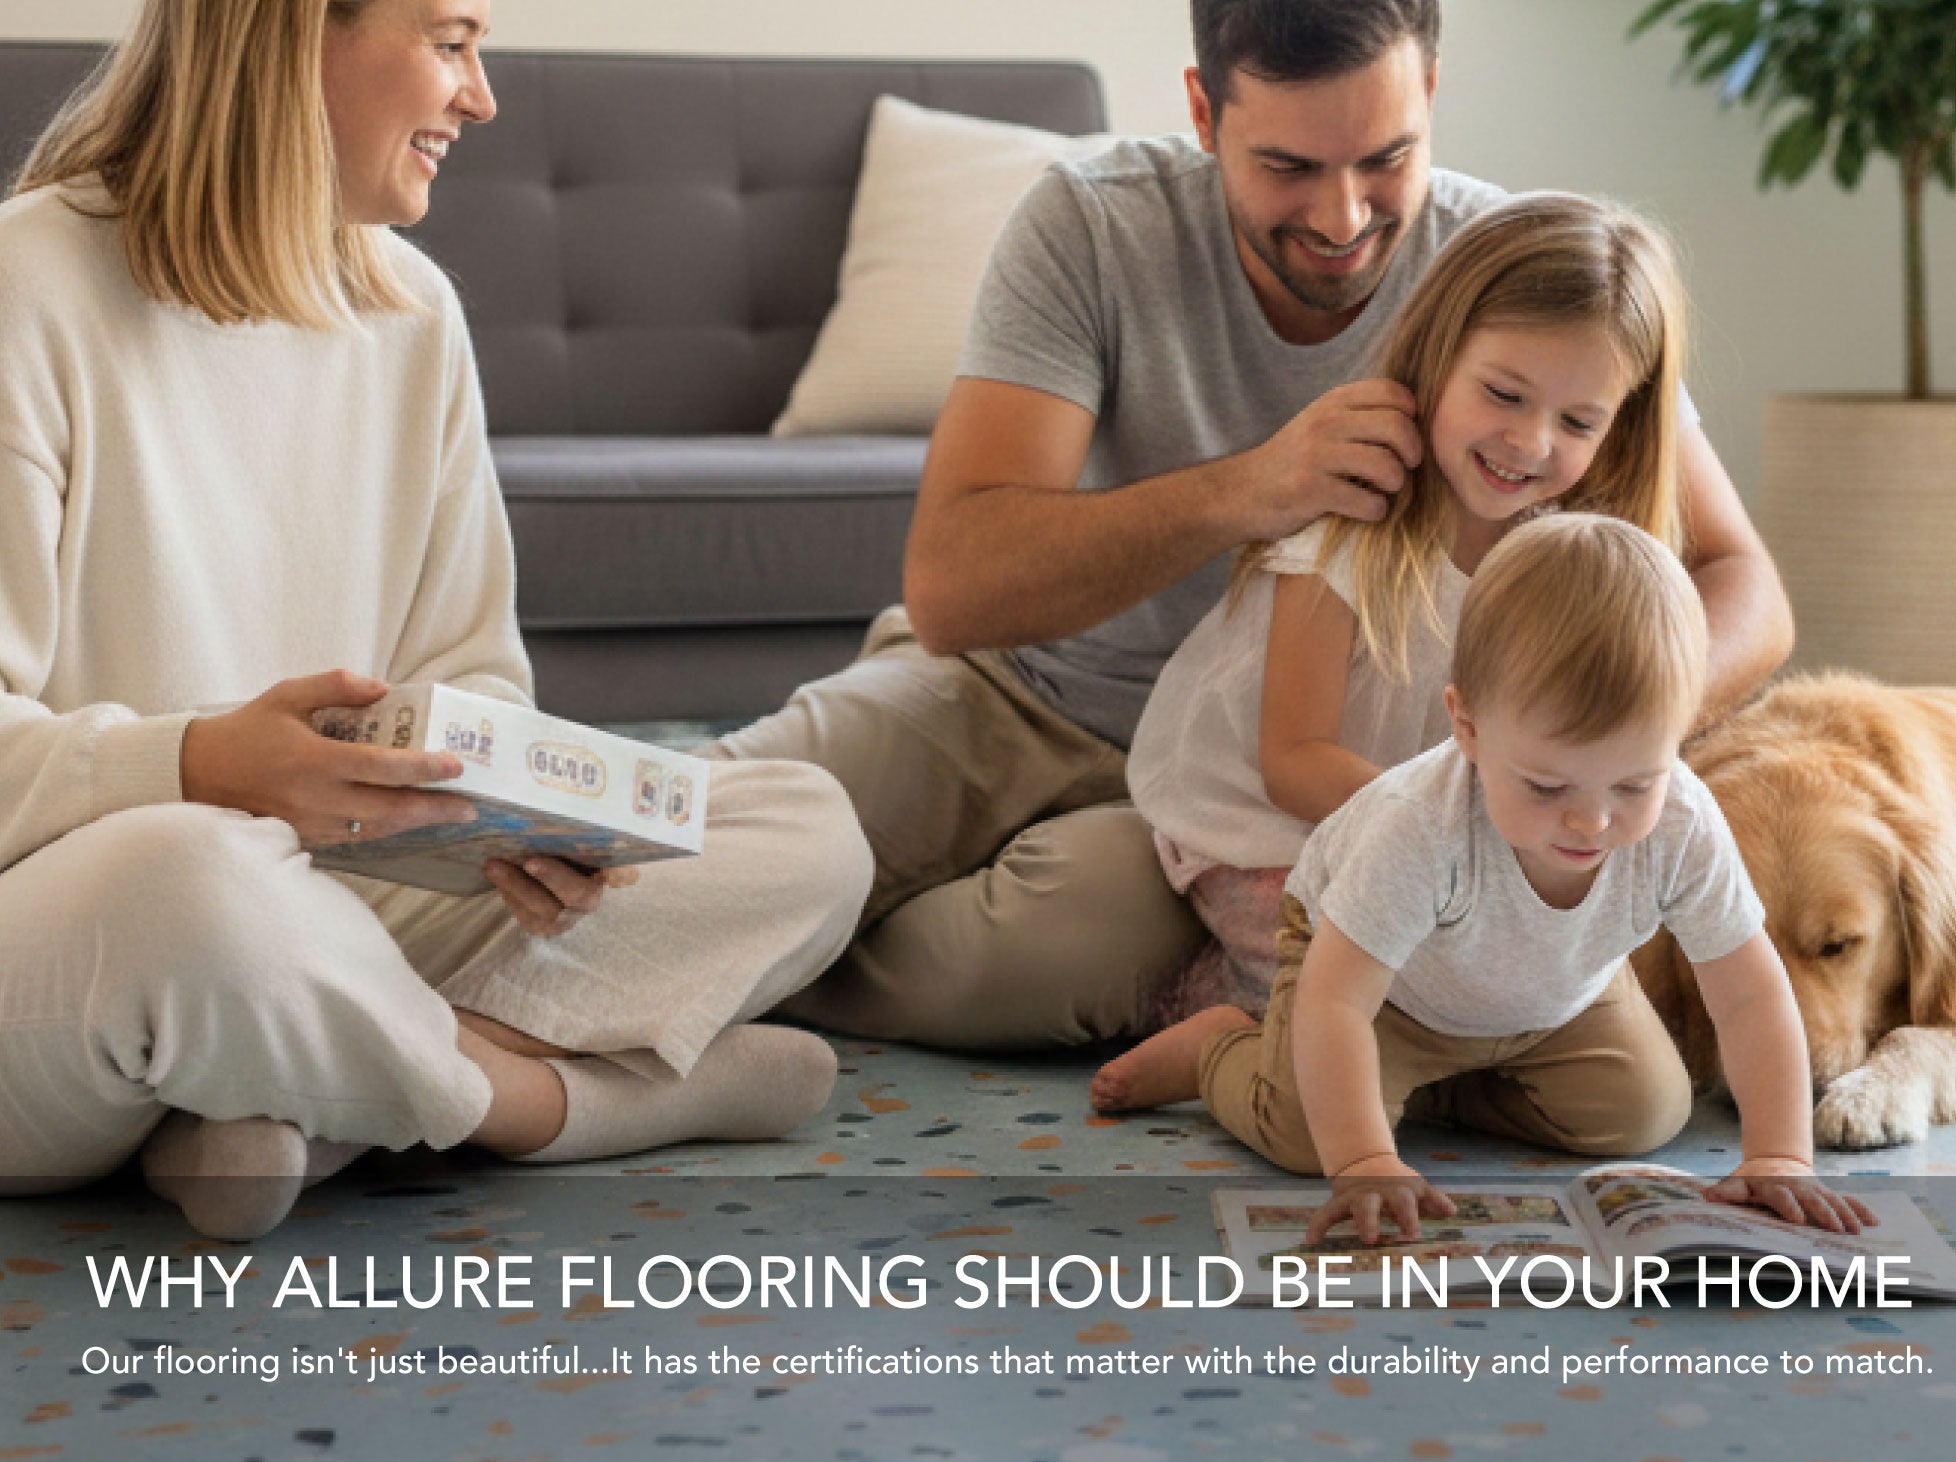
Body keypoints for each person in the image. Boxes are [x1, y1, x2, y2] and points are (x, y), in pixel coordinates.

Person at [714, 0, 1793, 1051]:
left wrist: (1582, 742)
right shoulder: (1092, 224)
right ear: (1201, 111)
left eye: (1384, 158)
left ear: (1428, 90)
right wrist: (1257, 486)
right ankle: (734, 938)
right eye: (1286, 167)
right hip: (1014, 690)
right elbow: (952, 591)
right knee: (696, 831)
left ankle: (773, 971)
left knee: (1057, 956)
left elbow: (1740, 576)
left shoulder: (1500, 268)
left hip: (1235, 806)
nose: (1341, 216)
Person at [0, 0, 871, 1241]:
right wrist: (200, 765)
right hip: (98, 926)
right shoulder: (25, 284)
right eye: (451, 41)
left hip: (332, 902)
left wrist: (514, 814)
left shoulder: (410, 311)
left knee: (800, 822)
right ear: (293, 35)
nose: (481, 97)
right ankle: (535, 1098)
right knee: (193, 875)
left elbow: (469, 672)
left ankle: (305, 1100)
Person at [1092, 514, 1873, 1245]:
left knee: (1644, 1113)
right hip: (1386, 988)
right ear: (1466, 726)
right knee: (1307, 1134)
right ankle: (1225, 1049)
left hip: (1554, 989)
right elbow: (1338, 999)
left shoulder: (1684, 821)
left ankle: (1424, 1086)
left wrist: (1779, 1157)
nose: (1591, 823)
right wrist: (1365, 1163)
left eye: (1635, 785)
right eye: (1546, 787)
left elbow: (1747, 990)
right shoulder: (1419, 826)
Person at [1114, 191, 1686, 1024]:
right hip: (1278, 829)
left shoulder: (1572, 559)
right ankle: (1221, 1027)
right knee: (1370, 996)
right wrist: (1464, 826)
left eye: (1577, 420)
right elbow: (1294, 758)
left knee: (1512, 987)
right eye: (1503, 393)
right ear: (1439, 357)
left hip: (1465, 836)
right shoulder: (1352, 525)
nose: (1529, 443)